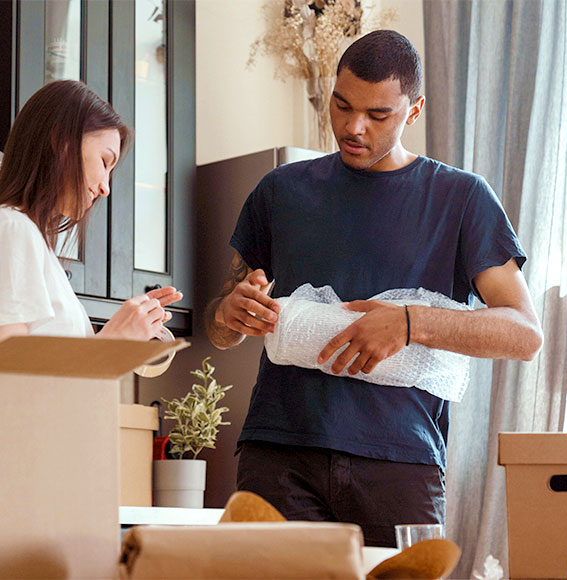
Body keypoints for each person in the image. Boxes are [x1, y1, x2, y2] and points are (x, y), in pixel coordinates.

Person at [205, 30, 543, 547]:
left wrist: (409, 322)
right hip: (278, 457)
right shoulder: (281, 191)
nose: (352, 126)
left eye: (377, 115)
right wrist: (230, 314)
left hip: (400, 464)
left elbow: (524, 334)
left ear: (414, 111)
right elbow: (219, 329)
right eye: (342, 106)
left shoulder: (462, 198)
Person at [0, 80, 182, 342]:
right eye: (105, 161)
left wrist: (127, 329)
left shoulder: (35, 243)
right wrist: (113, 340)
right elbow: (11, 373)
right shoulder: (13, 227)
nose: (105, 188)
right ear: (61, 142)